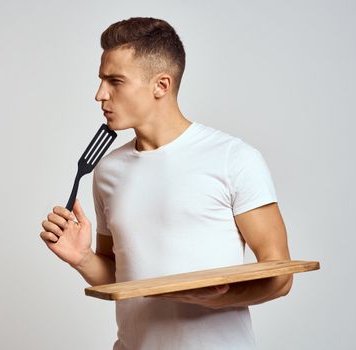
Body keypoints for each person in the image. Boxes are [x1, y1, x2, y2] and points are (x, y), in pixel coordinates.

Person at [40, 17, 292, 350]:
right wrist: (82, 258)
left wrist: (212, 300)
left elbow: (279, 276)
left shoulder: (234, 158)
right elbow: (121, 277)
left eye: (115, 81)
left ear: (161, 85)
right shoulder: (106, 171)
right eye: (101, 80)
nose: (100, 94)